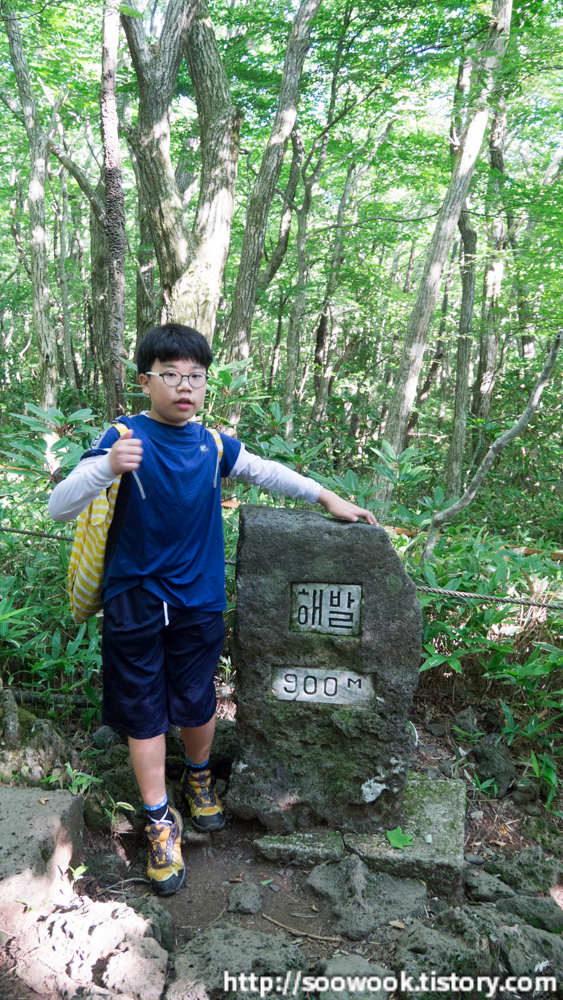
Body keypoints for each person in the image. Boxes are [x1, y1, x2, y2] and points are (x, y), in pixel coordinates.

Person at [49, 324, 377, 896]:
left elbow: (267, 471)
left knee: (198, 698)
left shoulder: (213, 445)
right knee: (143, 709)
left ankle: (198, 780)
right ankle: (159, 821)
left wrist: (328, 496)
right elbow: (59, 506)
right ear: (146, 380)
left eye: (195, 377)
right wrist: (106, 466)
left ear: (205, 383)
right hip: (135, 598)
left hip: (199, 598)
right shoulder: (123, 436)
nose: (184, 387)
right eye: (170, 375)